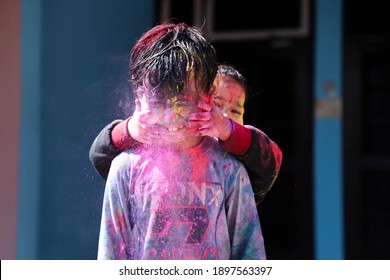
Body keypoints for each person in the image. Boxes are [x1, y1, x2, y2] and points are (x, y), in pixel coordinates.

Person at [97, 21, 266, 260]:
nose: (170, 115)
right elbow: (110, 257)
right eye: (158, 101)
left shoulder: (228, 169)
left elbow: (251, 255)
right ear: (138, 101)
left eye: (183, 100)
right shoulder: (125, 169)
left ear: (209, 98)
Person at [90, 63, 282, 204]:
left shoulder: (236, 166)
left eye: (235, 111)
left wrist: (226, 129)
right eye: (216, 103)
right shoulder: (162, 142)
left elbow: (270, 164)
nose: (223, 115)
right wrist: (132, 130)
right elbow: (99, 155)